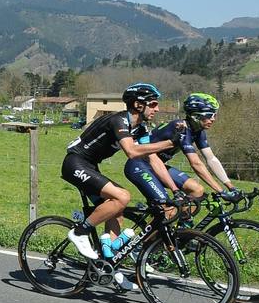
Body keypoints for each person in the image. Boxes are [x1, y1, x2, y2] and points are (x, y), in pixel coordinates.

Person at [60, 82, 174, 272]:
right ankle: (80, 232)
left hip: (91, 167)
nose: (157, 108)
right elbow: (131, 151)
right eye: (153, 104)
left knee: (117, 214)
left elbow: (153, 160)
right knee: (122, 196)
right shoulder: (119, 120)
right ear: (138, 105)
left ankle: (109, 268)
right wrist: (169, 143)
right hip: (75, 163)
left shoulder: (140, 129)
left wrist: (175, 190)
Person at [125, 93, 239, 211]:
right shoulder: (180, 128)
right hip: (138, 166)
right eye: (210, 115)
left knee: (197, 190)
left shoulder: (198, 131)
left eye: (215, 115)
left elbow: (211, 159)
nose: (213, 119)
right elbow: (196, 164)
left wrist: (231, 187)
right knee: (169, 210)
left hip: (158, 167)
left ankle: (182, 228)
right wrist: (221, 191)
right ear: (196, 116)